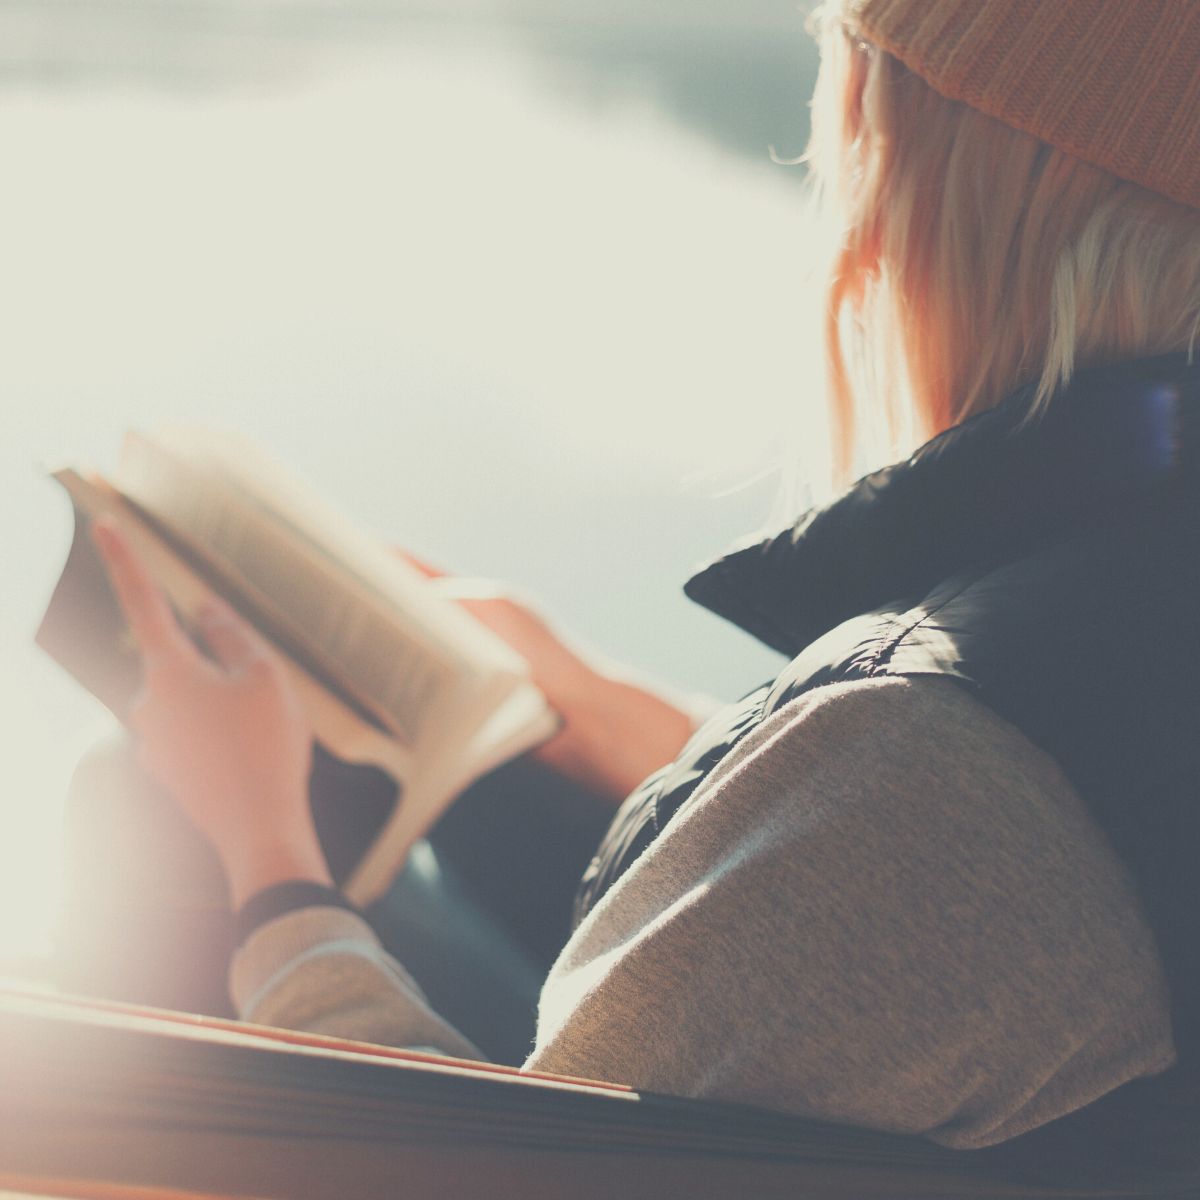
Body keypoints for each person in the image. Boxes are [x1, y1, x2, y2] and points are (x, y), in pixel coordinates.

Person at [83, 0, 1200, 1163]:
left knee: (159, 800)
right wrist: (610, 710)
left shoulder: (938, 776)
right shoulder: (1141, 560)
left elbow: (477, 1189)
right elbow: (1062, 804)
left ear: (922, 196)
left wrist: (267, 866)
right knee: (476, 791)